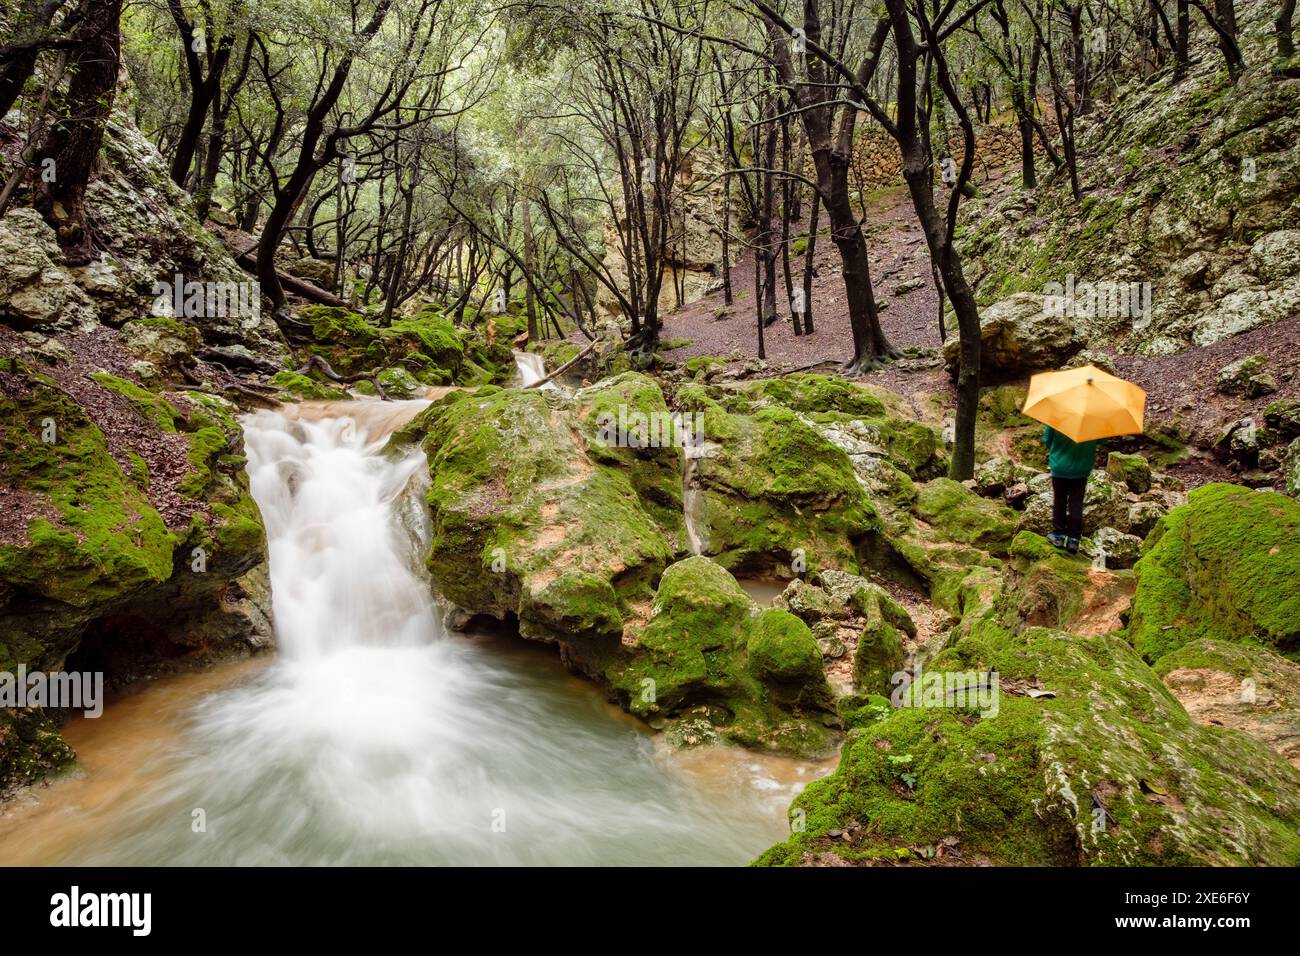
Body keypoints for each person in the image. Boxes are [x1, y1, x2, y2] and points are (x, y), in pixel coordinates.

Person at [1042, 425, 1100, 554]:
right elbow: (1101, 440)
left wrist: (1058, 449)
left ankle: (1059, 536)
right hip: (1082, 468)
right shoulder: (1094, 421)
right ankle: (1074, 540)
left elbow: (1046, 439)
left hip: (1060, 466)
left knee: (1060, 501)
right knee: (1076, 503)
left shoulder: (1056, 417)